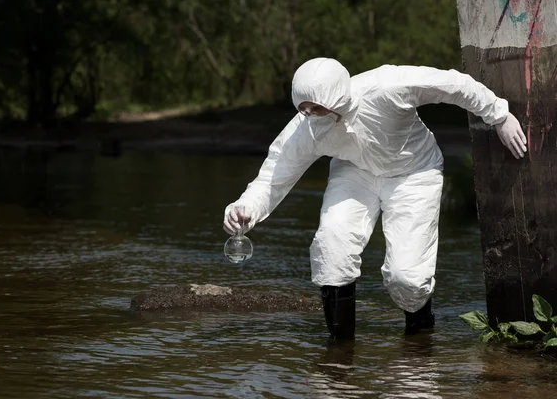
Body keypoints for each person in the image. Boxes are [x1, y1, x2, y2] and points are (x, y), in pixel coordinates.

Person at [222, 58, 527, 339]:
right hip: (355, 173)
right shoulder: (308, 127)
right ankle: (339, 354)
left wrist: (498, 115)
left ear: (335, 97)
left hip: (414, 172)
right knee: (332, 248)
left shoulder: (387, 86)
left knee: (406, 277)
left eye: (314, 107)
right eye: (302, 108)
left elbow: (452, 85)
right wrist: (246, 208)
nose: (307, 115)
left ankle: (419, 332)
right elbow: (276, 172)